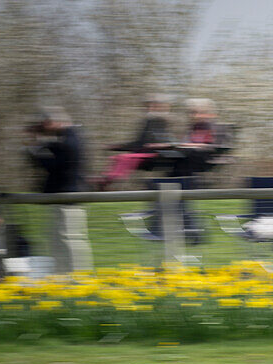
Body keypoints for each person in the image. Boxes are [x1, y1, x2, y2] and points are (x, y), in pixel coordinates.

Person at [25, 106, 92, 274]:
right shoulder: (70, 137)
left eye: (45, 124)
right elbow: (56, 148)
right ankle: (68, 275)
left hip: (67, 196)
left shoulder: (69, 140)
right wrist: (40, 143)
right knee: (64, 239)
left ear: (52, 122)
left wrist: (35, 150)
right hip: (65, 196)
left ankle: (76, 276)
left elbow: (55, 166)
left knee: (69, 239)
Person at [92, 94, 175, 190]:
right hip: (145, 152)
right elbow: (139, 143)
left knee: (125, 158)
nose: (150, 108)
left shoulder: (162, 122)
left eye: (154, 106)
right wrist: (117, 146)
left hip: (156, 155)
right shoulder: (149, 122)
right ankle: (106, 179)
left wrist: (157, 145)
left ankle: (108, 179)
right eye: (149, 106)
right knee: (117, 158)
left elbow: (165, 140)